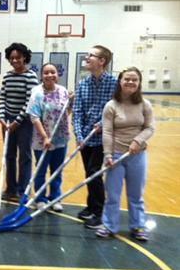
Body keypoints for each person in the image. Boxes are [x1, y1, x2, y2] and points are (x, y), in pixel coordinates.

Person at [96, 67, 155, 241]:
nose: (130, 82)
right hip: (115, 155)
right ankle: (109, 225)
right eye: (126, 79)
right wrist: (107, 155)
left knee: (136, 195)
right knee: (113, 195)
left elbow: (150, 127)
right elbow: (107, 132)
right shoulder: (111, 106)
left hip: (137, 156)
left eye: (134, 79)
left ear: (139, 83)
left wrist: (138, 141)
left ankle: (137, 226)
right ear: (120, 82)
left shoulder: (145, 104)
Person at [72, 45, 117, 229]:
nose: (87, 57)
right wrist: (79, 135)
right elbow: (77, 112)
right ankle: (91, 206)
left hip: (103, 138)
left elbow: (117, 111)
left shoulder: (114, 84)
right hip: (86, 138)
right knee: (89, 173)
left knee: (94, 172)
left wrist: (104, 124)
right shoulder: (83, 84)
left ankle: (99, 212)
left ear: (102, 61)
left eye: (91, 55)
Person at [26, 63, 71, 212]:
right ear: (41, 75)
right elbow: (34, 117)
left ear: (57, 74)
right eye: (46, 72)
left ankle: (55, 198)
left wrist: (70, 102)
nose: (50, 75)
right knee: (41, 171)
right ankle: (40, 198)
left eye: (53, 72)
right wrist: (45, 137)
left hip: (60, 139)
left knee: (57, 171)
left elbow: (65, 113)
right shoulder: (37, 92)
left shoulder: (63, 91)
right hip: (42, 140)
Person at [0, 42, 39, 201]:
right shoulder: (7, 76)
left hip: (24, 123)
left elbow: (30, 102)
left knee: (25, 156)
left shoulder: (31, 76)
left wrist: (17, 122)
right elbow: (2, 97)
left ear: (24, 58)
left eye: (18, 57)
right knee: (9, 155)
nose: (15, 60)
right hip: (7, 121)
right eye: (12, 58)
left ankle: (23, 191)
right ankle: (10, 189)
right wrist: (2, 117)